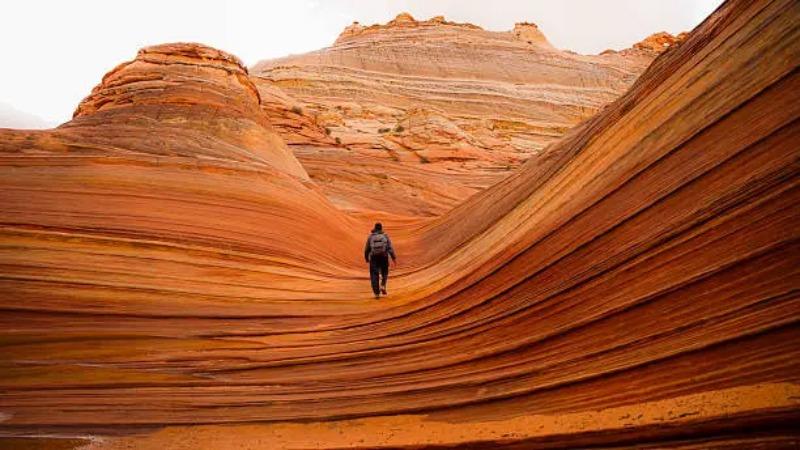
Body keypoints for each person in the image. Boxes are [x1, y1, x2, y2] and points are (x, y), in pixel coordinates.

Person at [364, 222, 396, 299]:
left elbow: (367, 249)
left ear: (374, 228)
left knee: (374, 274)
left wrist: (366, 258)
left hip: (374, 258)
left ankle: (376, 293)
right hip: (384, 256)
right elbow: (390, 248)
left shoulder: (371, 237)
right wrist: (393, 258)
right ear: (381, 228)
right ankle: (383, 285)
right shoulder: (385, 236)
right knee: (385, 271)